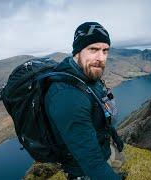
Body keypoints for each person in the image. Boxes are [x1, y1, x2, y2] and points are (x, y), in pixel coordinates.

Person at [44, 22, 124, 180]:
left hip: (103, 147)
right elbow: (92, 164)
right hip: (84, 171)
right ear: (77, 51)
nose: (100, 58)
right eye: (93, 49)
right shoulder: (67, 96)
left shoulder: (86, 75)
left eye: (105, 51)